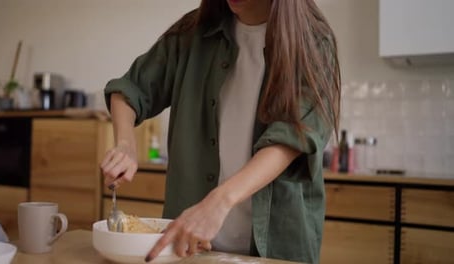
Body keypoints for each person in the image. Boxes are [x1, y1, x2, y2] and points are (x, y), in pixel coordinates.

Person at [101, 0, 340, 263]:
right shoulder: (191, 34)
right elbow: (129, 89)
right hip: (190, 251)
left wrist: (218, 203)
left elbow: (289, 139)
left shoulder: (315, 42)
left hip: (277, 249)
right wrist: (126, 143)